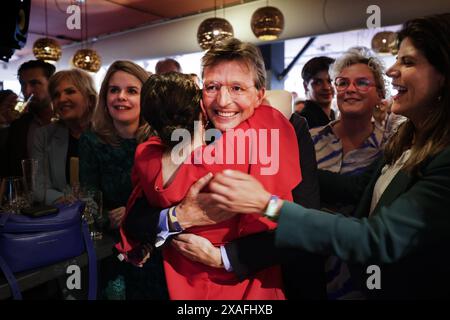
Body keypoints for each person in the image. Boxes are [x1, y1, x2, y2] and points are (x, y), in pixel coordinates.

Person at [178, 13, 450, 299]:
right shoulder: (405, 140)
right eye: (212, 87)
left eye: (407, 62)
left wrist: (266, 204)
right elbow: (357, 190)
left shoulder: (441, 156)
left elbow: (376, 238)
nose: (393, 69)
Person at [118, 39, 301, 300]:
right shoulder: (166, 146)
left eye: (237, 88)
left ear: (260, 95)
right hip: (184, 283)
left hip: (254, 281)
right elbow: (137, 216)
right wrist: (177, 216)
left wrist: (223, 257)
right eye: (212, 87)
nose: (224, 101)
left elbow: (302, 223)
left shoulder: (281, 129)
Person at [79, 60, 153, 300]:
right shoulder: (91, 141)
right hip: (112, 245)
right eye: (114, 90)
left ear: (147, 98)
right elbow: (87, 198)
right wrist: (106, 217)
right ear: (105, 97)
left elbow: (172, 198)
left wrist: (135, 213)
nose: (121, 97)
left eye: (132, 91)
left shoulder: (160, 139)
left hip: (157, 243)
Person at [32, 69, 97, 205]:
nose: (61, 99)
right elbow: (38, 186)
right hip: (61, 216)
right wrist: (60, 199)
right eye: (56, 95)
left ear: (90, 99)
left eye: (70, 92)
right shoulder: (43, 136)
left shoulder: (105, 133)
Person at [6, 60, 55, 176]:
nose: (27, 91)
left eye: (34, 83)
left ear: (52, 84)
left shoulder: (68, 122)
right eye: (23, 84)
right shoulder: (18, 124)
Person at [299, 56, 336, 129]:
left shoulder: (331, 115)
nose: (326, 87)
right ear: (306, 86)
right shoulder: (303, 121)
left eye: (330, 81)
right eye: (318, 82)